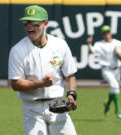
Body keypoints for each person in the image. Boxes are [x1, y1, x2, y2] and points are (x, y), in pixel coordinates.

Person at [8, 5, 77, 135]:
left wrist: (72, 95)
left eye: (34, 23)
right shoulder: (17, 50)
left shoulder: (60, 45)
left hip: (58, 105)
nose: (29, 26)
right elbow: (15, 84)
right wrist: (41, 84)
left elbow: (70, 75)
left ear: (45, 24)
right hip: (32, 109)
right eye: (26, 22)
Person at [86, 25, 121, 119]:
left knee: (114, 89)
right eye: (104, 33)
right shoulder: (99, 44)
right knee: (115, 87)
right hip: (106, 70)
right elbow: (91, 51)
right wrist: (89, 44)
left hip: (117, 69)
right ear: (102, 35)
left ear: (111, 33)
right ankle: (118, 110)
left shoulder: (118, 43)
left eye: (108, 32)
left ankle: (107, 105)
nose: (107, 34)